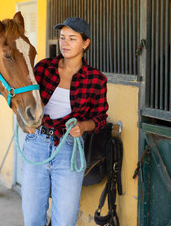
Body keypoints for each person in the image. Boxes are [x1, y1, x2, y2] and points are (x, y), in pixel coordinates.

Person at [21, 17, 109, 226]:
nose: (65, 43)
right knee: (33, 218)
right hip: (37, 144)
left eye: (72, 38)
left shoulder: (96, 79)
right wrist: (25, 124)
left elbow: (100, 118)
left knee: (65, 221)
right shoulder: (43, 68)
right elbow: (24, 101)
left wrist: (83, 126)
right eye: (62, 38)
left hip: (69, 149)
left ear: (85, 43)